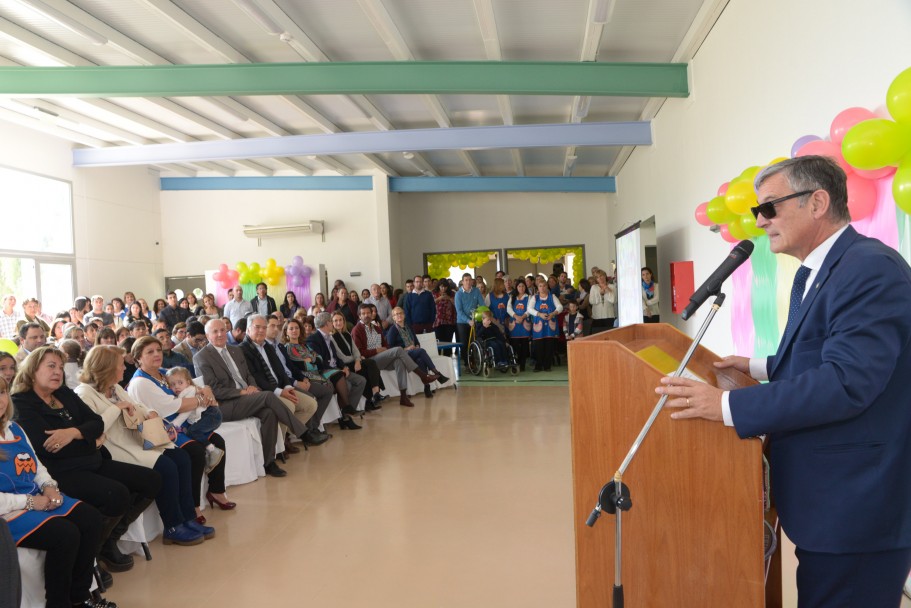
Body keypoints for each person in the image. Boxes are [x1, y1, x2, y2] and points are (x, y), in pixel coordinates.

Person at [656, 156, 911, 607]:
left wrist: (726, 407)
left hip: (859, 506)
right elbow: (828, 350)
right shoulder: (820, 271)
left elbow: (847, 381)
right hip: (830, 504)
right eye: (757, 209)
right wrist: (757, 366)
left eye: (770, 207)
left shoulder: (869, 268)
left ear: (817, 202)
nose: (760, 220)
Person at [11, 346, 162, 583]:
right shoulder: (22, 402)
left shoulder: (64, 393)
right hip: (61, 471)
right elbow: (46, 446)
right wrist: (90, 440)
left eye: (61, 367)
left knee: (151, 479)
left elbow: (97, 423)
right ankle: (91, 555)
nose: (58, 372)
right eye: (51, 366)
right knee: (117, 495)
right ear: (32, 370)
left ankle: (108, 540)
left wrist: (72, 432)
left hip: (92, 461)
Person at [75, 346, 212, 550]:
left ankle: (188, 518)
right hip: (117, 447)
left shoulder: (115, 387)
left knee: (182, 458)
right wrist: (116, 408)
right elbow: (95, 427)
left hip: (136, 439)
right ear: (107, 367)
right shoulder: (84, 393)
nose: (124, 368)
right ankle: (173, 526)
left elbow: (136, 404)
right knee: (166, 467)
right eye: (121, 365)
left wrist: (150, 412)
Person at [0, 376, 116, 608]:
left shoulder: (15, 428)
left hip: (36, 498)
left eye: (2, 392)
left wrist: (50, 486)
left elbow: (37, 467)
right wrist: (32, 502)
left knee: (91, 519)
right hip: (8, 513)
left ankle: (79, 597)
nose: (0, 400)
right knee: (65, 534)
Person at [194, 319, 327, 477]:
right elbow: (213, 389)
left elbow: (248, 375)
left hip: (247, 397)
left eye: (222, 330)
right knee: (268, 396)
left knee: (269, 414)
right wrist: (242, 392)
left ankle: (268, 462)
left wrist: (252, 387)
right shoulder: (202, 357)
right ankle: (303, 432)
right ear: (208, 335)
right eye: (215, 331)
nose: (220, 334)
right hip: (224, 405)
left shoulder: (235, 350)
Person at [128, 336, 232, 514]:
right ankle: (193, 506)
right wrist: (202, 398)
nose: (156, 354)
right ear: (138, 358)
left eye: (158, 350)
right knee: (195, 452)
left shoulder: (163, 372)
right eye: (150, 352)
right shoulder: (141, 382)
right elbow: (173, 406)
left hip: (184, 420)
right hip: (167, 427)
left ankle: (216, 491)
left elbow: (192, 383)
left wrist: (205, 389)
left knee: (218, 440)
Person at [240, 315, 331, 443]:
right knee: (288, 406)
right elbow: (256, 378)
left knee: (310, 404)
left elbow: (281, 370)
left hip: (283, 387)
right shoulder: (243, 349)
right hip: (267, 392)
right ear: (248, 329)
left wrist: (288, 386)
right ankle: (284, 444)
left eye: (264, 327)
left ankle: (286, 436)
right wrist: (280, 391)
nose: (261, 330)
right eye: (257, 327)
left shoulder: (267, 346)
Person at [351, 304, 437, 407]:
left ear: (372, 314)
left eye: (368, 313)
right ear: (359, 316)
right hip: (369, 362)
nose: (366, 315)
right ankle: (423, 376)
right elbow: (359, 352)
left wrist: (382, 350)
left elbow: (386, 345)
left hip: (382, 358)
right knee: (399, 350)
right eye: (363, 313)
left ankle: (403, 397)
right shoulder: (357, 330)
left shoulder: (377, 328)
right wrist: (377, 350)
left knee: (399, 361)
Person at [305, 313, 368, 427]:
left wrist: (343, 366)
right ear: (327, 323)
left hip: (336, 370)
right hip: (324, 371)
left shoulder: (329, 336)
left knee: (361, 381)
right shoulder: (313, 339)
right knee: (346, 384)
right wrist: (337, 370)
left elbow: (336, 357)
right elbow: (318, 361)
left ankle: (347, 411)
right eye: (331, 321)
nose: (333, 324)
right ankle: (346, 414)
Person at [165, 367, 224, 469]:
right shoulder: (185, 392)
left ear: (188, 382)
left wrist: (174, 424)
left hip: (211, 415)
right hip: (209, 415)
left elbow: (185, 413)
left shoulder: (189, 391)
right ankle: (208, 453)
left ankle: (213, 450)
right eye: (173, 384)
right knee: (193, 431)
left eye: (180, 383)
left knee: (192, 431)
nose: (177, 387)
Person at [328, 311, 386, 410]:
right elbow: (340, 356)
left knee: (368, 368)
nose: (338, 323)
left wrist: (358, 360)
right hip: (344, 365)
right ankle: (375, 394)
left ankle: (372, 398)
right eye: (335, 321)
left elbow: (356, 351)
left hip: (354, 362)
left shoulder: (346, 334)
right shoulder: (331, 337)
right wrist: (356, 360)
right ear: (332, 323)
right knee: (369, 364)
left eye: (340, 320)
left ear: (344, 321)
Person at [385, 308, 447, 397]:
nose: (399, 315)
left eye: (401, 313)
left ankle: (427, 386)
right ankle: (437, 373)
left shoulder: (409, 326)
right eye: (396, 314)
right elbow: (391, 347)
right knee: (421, 351)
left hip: (413, 352)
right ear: (393, 318)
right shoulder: (393, 329)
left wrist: (417, 346)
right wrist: (406, 348)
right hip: (402, 355)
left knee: (420, 360)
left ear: (404, 315)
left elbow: (416, 341)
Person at [528, 277, 562, 372]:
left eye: (544, 286)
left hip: (550, 324)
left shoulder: (552, 296)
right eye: (540, 286)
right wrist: (539, 314)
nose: (542, 288)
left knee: (549, 345)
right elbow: (529, 309)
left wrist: (553, 314)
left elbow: (560, 307)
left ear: (547, 287)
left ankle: (547, 365)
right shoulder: (535, 297)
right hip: (539, 324)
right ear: (538, 287)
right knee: (538, 345)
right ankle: (538, 365)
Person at [454, 273, 485, 363]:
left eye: (469, 280)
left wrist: (483, 316)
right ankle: (467, 364)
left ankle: (475, 361)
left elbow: (482, 305)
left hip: (474, 320)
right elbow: (459, 311)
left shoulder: (476, 291)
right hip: (462, 322)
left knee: (475, 341)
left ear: (472, 281)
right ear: (462, 282)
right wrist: (468, 320)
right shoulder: (458, 294)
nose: (468, 282)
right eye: (466, 280)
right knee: (464, 343)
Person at [507, 280, 532, 371]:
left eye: (523, 286)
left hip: (525, 322)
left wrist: (523, 317)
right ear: (516, 288)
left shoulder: (529, 297)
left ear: (525, 287)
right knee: (515, 344)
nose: (521, 288)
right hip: (514, 323)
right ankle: (515, 361)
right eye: (519, 286)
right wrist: (516, 316)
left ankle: (523, 364)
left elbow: (529, 309)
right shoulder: (512, 297)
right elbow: (508, 308)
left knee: (525, 344)